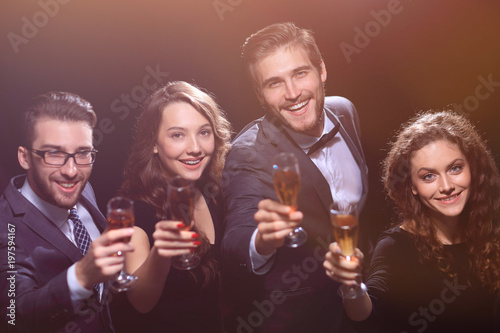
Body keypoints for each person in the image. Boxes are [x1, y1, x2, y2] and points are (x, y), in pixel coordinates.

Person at [221, 22, 369, 332]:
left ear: (322, 71)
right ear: (260, 95)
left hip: (360, 301)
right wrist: (260, 240)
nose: (292, 93)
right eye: (274, 83)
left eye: (300, 73)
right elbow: (236, 237)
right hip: (297, 319)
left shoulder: (345, 110)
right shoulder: (249, 153)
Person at [324, 110, 500, 332]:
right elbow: (366, 314)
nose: (446, 186)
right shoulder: (396, 247)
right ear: (413, 187)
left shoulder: (491, 231)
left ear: (472, 168)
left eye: (455, 168)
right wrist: (351, 285)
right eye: (429, 176)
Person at [0, 91, 134, 332]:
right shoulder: (5, 226)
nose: (71, 171)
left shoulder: (82, 189)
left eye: (82, 153)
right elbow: (13, 316)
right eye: (54, 153)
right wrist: (81, 276)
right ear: (25, 157)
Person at [109, 81, 232, 332]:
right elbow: (141, 301)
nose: (195, 148)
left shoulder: (214, 193)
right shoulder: (135, 211)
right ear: (153, 143)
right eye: (178, 135)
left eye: (204, 132)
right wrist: (162, 253)